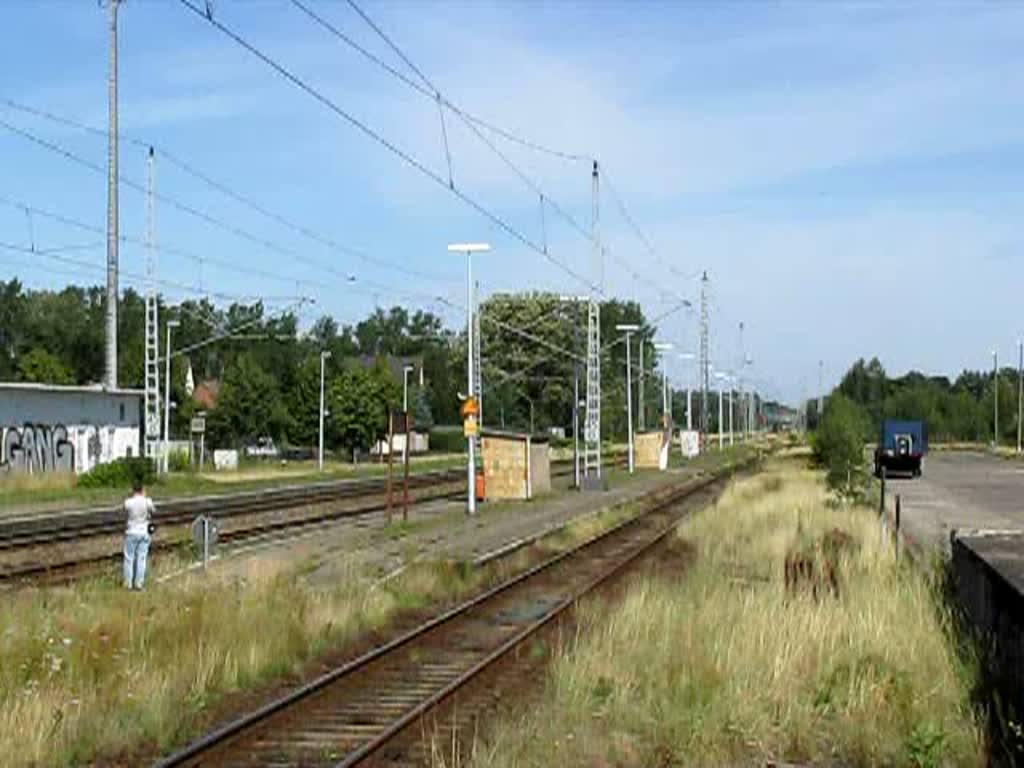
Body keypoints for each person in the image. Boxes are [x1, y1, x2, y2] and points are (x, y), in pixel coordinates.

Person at [123, 480, 155, 590]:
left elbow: (124, 510)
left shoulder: (128, 502)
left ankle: (128, 584)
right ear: (142, 490)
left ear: (133, 490)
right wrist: (145, 497)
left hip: (131, 532)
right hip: (144, 532)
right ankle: (139, 584)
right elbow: (153, 510)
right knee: (141, 558)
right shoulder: (147, 501)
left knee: (129, 558)